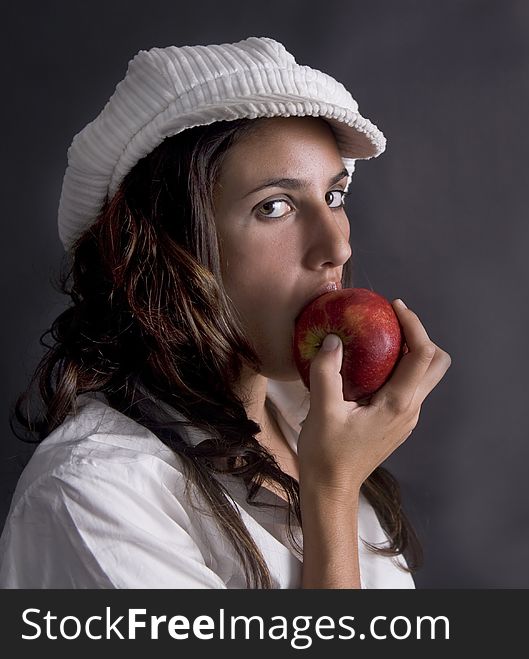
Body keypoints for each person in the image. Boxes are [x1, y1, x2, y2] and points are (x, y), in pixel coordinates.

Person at [0, 36, 451, 588]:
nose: (336, 246)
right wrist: (331, 492)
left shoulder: (311, 425)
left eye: (333, 197)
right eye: (274, 206)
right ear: (166, 247)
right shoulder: (93, 493)